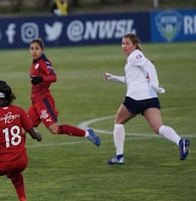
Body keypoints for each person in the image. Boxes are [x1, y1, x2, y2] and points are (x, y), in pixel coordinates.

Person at [103, 33, 190, 165]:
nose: (124, 46)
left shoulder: (135, 56)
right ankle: (180, 142)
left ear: (135, 45)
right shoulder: (133, 59)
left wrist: (156, 85)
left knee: (118, 122)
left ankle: (119, 156)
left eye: (127, 43)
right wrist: (112, 77)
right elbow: (131, 80)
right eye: (122, 43)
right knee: (158, 127)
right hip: (150, 98)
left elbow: (150, 66)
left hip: (135, 97)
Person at [26, 38, 101, 146]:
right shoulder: (35, 63)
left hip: (43, 100)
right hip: (36, 101)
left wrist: (41, 79)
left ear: (42, 50)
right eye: (32, 49)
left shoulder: (43, 62)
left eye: (37, 49)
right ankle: (17, 157)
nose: (34, 51)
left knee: (54, 129)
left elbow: (53, 77)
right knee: (24, 128)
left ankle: (86, 133)